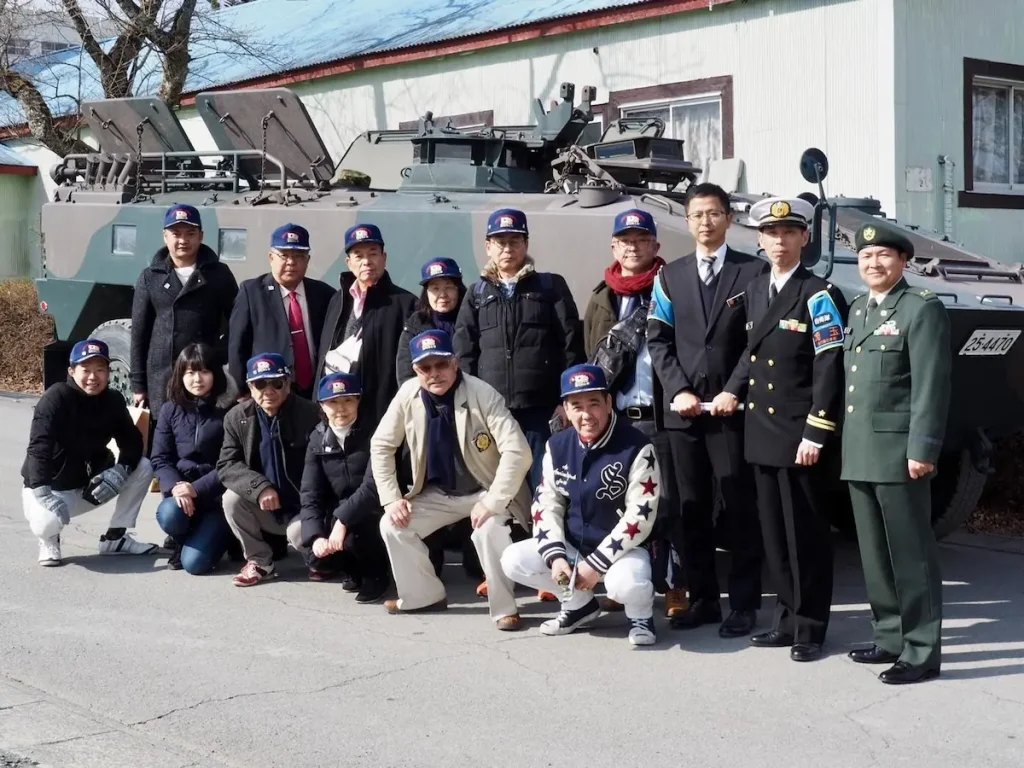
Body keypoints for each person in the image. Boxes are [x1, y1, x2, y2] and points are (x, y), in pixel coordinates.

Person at [719, 197, 847, 662]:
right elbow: (749, 354)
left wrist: (817, 431)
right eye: (771, 234)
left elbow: (829, 366)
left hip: (799, 434)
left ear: (804, 238)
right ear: (759, 240)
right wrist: (731, 390)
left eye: (789, 232)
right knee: (773, 534)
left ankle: (811, 626)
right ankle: (786, 620)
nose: (779, 241)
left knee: (806, 535)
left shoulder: (818, 293)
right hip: (761, 431)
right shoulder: (756, 289)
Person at [647, 182, 766, 638]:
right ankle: (702, 600)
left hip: (732, 410)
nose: (705, 222)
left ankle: (744, 605)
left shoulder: (753, 272)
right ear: (687, 220)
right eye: (697, 215)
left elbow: (757, 341)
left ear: (728, 219)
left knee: (739, 509)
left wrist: (735, 389)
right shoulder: (669, 275)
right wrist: (676, 388)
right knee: (690, 508)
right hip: (684, 412)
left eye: (714, 213)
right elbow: (657, 338)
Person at [843, 222, 950, 685]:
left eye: (883, 256)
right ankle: (889, 635)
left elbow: (931, 384)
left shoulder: (920, 309)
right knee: (874, 553)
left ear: (903, 261)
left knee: (911, 554)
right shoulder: (858, 310)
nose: (873, 264)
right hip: (860, 451)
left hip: (899, 453)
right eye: (866, 258)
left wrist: (922, 448)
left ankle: (922, 649)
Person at [371, 330, 532, 630]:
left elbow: (518, 451)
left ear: (455, 362)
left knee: (488, 530)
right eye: (425, 368)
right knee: (391, 524)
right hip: (439, 492)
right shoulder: (408, 394)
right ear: (416, 371)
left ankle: (504, 608)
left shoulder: (482, 393)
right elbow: (381, 444)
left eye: (441, 364)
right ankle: (423, 596)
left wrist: (493, 501)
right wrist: (392, 498)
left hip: (485, 488)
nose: (434, 374)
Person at [501, 364, 661, 646]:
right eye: (576, 406)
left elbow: (640, 516)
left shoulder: (637, 446)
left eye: (594, 404)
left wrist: (597, 565)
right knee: (514, 560)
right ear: (565, 408)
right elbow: (546, 505)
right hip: (576, 546)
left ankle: (641, 615)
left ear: (609, 403)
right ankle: (578, 605)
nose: (587, 415)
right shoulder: (557, 445)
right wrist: (556, 557)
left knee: (625, 585)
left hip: (625, 550)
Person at [583, 208, 686, 620]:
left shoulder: (672, 288)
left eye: (641, 239)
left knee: (671, 504)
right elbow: (590, 355)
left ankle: (677, 584)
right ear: (614, 246)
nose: (632, 245)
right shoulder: (601, 296)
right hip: (619, 418)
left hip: (660, 416)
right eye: (625, 239)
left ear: (656, 246)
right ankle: (626, 582)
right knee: (622, 505)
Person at [454, 207, 585, 493]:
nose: (508, 249)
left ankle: (546, 536)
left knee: (545, 483)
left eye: (515, 241)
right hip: (493, 411)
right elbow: (464, 353)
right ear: (488, 247)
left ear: (525, 244)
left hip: (541, 410)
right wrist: (469, 403)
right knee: (499, 487)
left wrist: (567, 400)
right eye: (500, 242)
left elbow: (571, 345)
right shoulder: (476, 294)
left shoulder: (550, 286)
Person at [21, 339, 159, 566]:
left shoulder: (113, 400)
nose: (93, 377)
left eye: (100, 370)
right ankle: (49, 540)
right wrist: (43, 491)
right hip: (51, 489)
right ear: (71, 371)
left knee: (143, 466)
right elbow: (38, 448)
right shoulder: (55, 398)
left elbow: (133, 442)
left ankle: (115, 538)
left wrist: (120, 471)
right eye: (86, 370)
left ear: (108, 372)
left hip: (91, 486)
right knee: (46, 523)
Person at [395, 257, 480, 584]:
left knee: (470, 484)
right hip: (428, 420)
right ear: (426, 292)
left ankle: (477, 559)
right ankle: (431, 560)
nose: (442, 294)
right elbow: (405, 373)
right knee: (428, 488)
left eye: (449, 287)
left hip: (467, 416)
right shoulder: (415, 323)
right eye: (435, 288)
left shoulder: (469, 318)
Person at [217, 352, 321, 587]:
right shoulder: (236, 417)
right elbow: (227, 464)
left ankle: (317, 558)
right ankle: (260, 561)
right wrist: (260, 488)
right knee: (231, 499)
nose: (268, 390)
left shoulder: (311, 413)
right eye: (260, 384)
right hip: (264, 505)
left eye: (276, 383)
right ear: (250, 387)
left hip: (303, 507)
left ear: (288, 383)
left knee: (299, 536)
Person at [131, 204, 238, 416]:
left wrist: (218, 355)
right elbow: (139, 333)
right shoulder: (150, 276)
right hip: (163, 373)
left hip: (204, 372)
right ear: (165, 236)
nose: (183, 240)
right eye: (176, 234)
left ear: (201, 236)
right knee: (165, 434)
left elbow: (237, 321)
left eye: (190, 233)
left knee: (205, 433)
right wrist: (138, 384)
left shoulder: (218, 273)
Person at [296, 372, 390, 603]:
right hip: (339, 509)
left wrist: (342, 521)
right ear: (322, 405)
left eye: (348, 400)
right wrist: (316, 536)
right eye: (333, 402)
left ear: (358, 400)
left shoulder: (375, 432)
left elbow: (373, 486)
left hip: (375, 506)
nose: (341, 408)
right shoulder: (317, 439)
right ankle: (352, 569)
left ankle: (377, 576)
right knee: (309, 545)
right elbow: (311, 494)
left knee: (361, 532)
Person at [316, 223, 417, 428]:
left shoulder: (406, 304)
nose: (366, 262)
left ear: (384, 258)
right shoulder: (338, 300)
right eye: (359, 256)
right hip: (339, 411)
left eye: (373, 254)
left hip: (383, 413)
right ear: (348, 262)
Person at [151, 343, 234, 575]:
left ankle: (223, 537)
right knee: (168, 514)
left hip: (216, 498)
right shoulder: (170, 410)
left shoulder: (229, 411)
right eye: (190, 372)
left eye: (204, 371)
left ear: (215, 374)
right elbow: (160, 458)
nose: (197, 379)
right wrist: (177, 487)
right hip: (181, 495)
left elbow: (232, 464)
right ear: (181, 375)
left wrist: (195, 488)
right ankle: (182, 539)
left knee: (195, 564)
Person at [229, 223, 336, 399]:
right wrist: (241, 392)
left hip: (316, 391)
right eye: (284, 255)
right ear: (271, 258)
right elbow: (237, 347)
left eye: (298, 256)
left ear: (307, 260)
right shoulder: (252, 292)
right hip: (269, 391)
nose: (291, 262)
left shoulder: (324, 294)